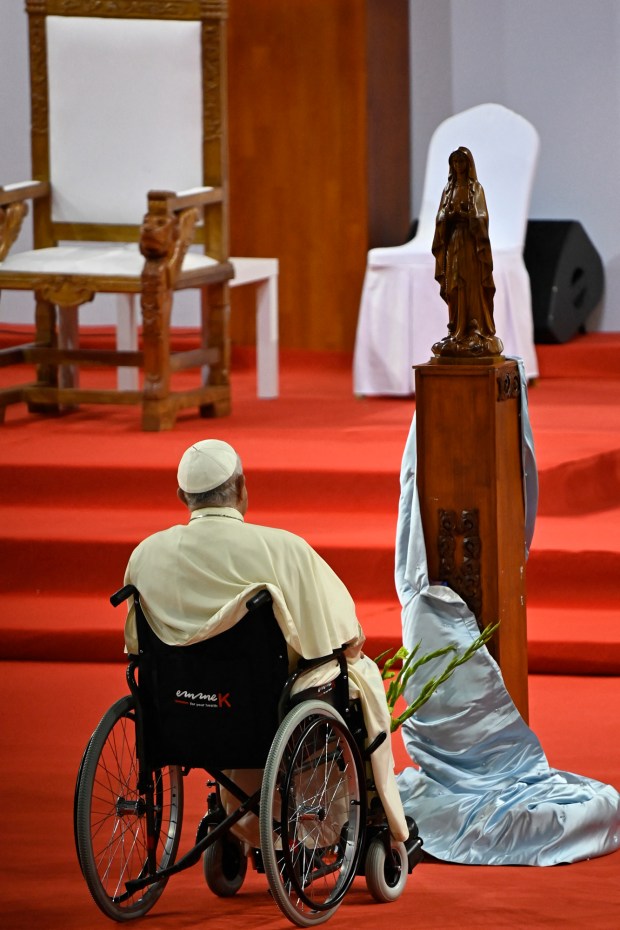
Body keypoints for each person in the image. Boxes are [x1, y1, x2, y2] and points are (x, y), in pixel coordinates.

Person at [124, 438, 408, 844]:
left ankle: (239, 819)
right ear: (241, 487)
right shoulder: (281, 550)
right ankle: (365, 816)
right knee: (355, 670)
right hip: (260, 710)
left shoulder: (145, 556)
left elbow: (136, 646)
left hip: (178, 709)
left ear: (182, 496)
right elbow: (345, 634)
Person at [431, 146, 503, 358]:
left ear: (468, 164)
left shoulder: (475, 189)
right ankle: (456, 330)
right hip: (454, 243)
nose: (458, 166)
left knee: (470, 285)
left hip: (471, 246)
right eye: (455, 162)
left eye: (462, 162)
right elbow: (440, 217)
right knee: (453, 285)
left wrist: (468, 215)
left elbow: (481, 216)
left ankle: (475, 329)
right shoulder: (448, 189)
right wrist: (448, 217)